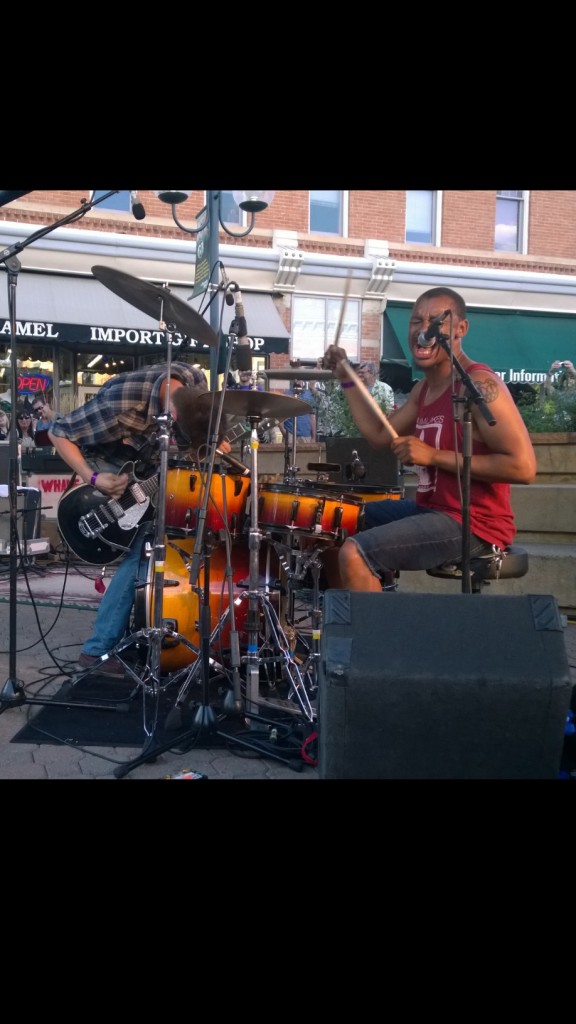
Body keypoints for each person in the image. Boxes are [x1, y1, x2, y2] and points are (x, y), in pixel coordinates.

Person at [321, 286, 537, 592]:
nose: (423, 331)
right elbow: (380, 435)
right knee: (336, 521)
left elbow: (523, 467)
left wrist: (433, 456)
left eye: (436, 321)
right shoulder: (424, 390)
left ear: (461, 329)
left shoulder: (480, 385)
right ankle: (365, 614)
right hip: (431, 510)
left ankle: (377, 638)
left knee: (355, 553)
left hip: (474, 523)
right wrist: (346, 375)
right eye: (415, 322)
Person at [48, 361, 232, 677]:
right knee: (143, 547)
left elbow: (199, 445)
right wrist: (93, 478)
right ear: (172, 417)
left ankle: (138, 628)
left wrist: (213, 447)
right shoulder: (122, 400)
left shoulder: (196, 389)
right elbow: (58, 432)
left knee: (164, 535)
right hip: (105, 467)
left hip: (144, 468)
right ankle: (97, 649)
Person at [311, 359, 394, 438]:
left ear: (372, 373)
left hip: (376, 431)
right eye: (359, 372)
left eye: (362, 372)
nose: (359, 374)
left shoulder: (385, 389)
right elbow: (330, 391)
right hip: (354, 432)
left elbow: (389, 411)